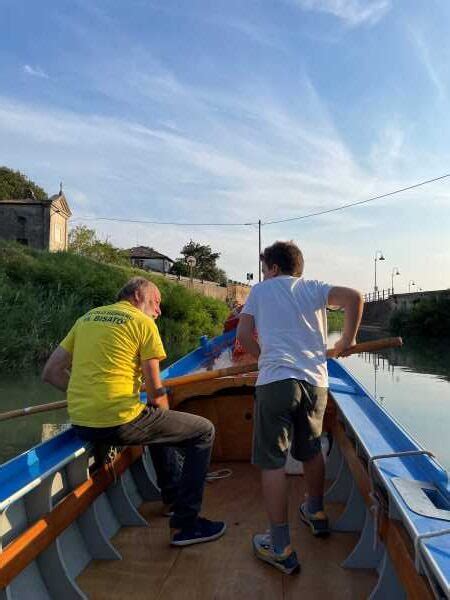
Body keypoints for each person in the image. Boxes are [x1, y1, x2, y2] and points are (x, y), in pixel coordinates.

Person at [42, 276, 226, 546]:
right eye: (156, 302)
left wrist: (85, 395)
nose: (159, 311)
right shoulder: (143, 323)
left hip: (81, 421)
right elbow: (154, 391)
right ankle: (185, 525)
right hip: (117, 422)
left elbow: (51, 372)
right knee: (202, 432)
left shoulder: (87, 319)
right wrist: (161, 407)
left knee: (156, 423)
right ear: (139, 295)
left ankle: (173, 497)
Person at [236, 241, 363, 575]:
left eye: (265, 268)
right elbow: (354, 297)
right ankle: (316, 512)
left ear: (274, 268)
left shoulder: (261, 291)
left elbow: (244, 333)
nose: (264, 273)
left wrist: (263, 356)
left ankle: (279, 545)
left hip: (276, 382)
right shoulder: (314, 288)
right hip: (315, 383)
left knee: (272, 462)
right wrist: (347, 340)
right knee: (310, 449)